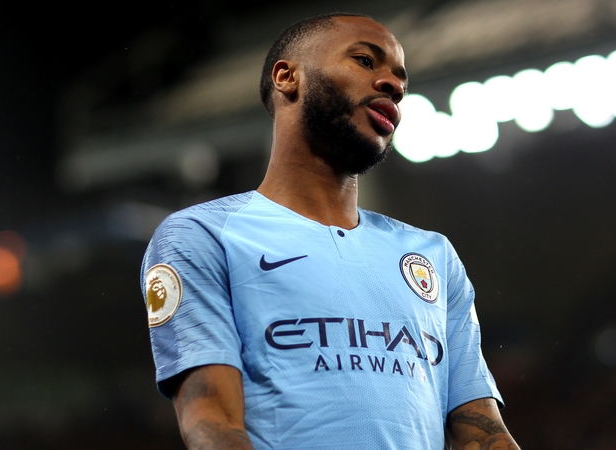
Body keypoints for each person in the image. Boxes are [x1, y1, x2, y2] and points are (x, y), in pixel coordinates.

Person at [140, 12, 520, 450]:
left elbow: (482, 430)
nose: (393, 85)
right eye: (364, 61)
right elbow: (214, 423)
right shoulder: (201, 235)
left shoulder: (433, 255)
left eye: (400, 79)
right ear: (287, 77)